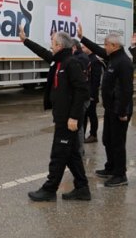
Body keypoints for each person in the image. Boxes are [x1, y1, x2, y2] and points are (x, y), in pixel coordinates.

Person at [19, 25, 91, 201]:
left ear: (60, 45)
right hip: (61, 116)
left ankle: (49, 190)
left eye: (52, 42)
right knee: (72, 154)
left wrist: (74, 116)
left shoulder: (71, 63)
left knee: (59, 153)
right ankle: (83, 188)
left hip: (69, 119)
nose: (50, 45)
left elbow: (82, 90)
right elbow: (44, 52)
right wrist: (25, 41)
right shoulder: (58, 60)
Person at [77, 22, 134, 187]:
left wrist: (123, 111)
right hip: (110, 108)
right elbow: (97, 50)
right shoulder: (113, 57)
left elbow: (127, 89)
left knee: (117, 142)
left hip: (119, 110)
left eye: (106, 44)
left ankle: (120, 174)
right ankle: (110, 167)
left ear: (114, 45)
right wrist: (82, 38)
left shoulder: (124, 62)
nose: (104, 47)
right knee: (107, 139)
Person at [72, 39, 91, 155]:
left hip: (82, 97)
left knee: (78, 124)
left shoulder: (80, 59)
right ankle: (78, 149)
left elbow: (80, 82)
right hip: (84, 95)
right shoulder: (81, 57)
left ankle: (79, 150)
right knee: (79, 123)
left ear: (73, 48)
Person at [82, 44, 104, 143]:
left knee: (92, 114)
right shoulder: (87, 59)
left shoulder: (94, 61)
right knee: (84, 115)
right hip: (86, 93)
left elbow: (95, 80)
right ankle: (82, 134)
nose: (82, 49)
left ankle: (93, 134)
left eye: (84, 47)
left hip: (91, 94)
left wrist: (92, 95)